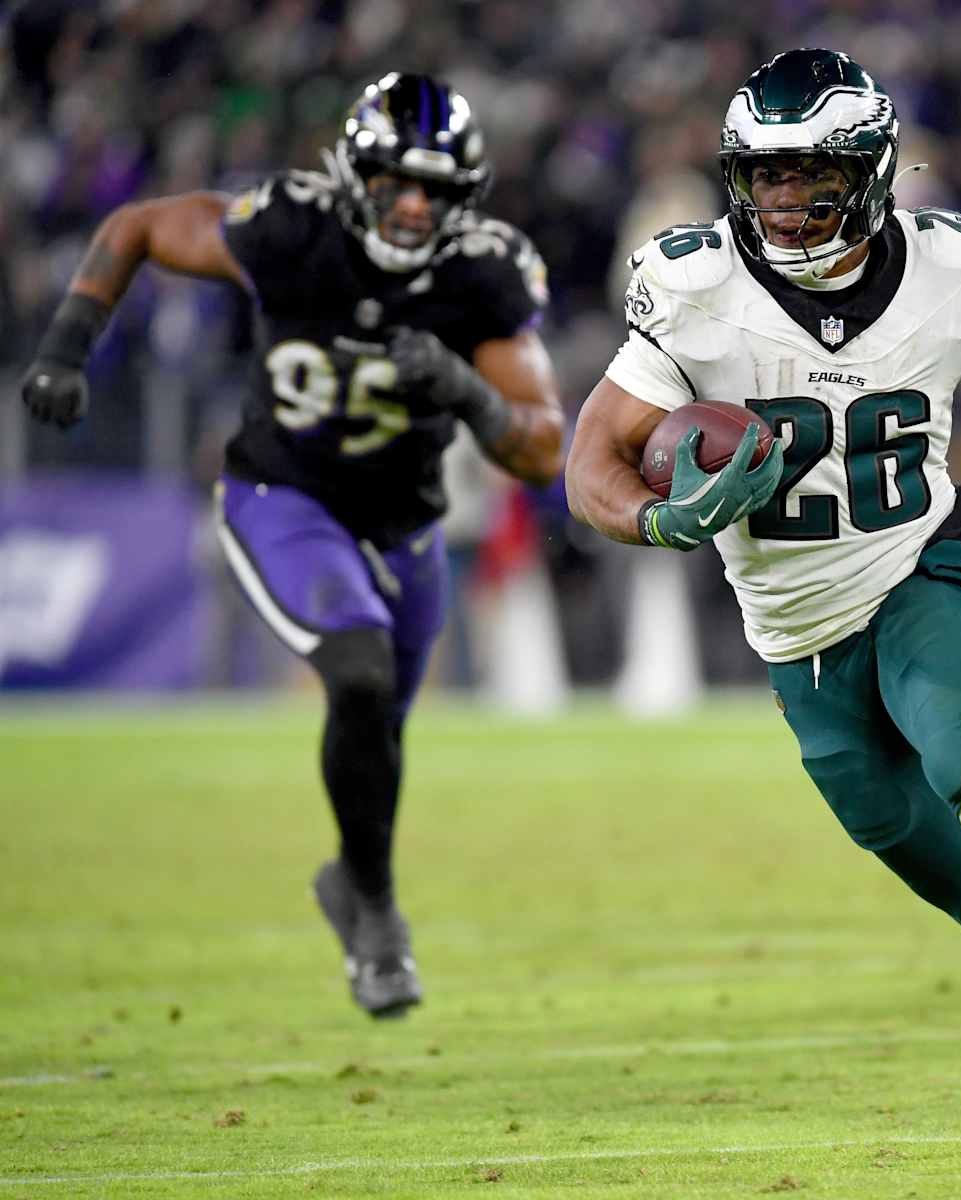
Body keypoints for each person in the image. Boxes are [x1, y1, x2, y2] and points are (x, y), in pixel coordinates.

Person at [564, 49, 961, 1137]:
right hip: (798, 639)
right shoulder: (696, 286)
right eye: (765, 175)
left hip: (922, 570)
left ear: (870, 175)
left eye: (811, 175)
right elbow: (592, 462)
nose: (785, 201)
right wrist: (659, 521)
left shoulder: (951, 272)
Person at [19, 72, 565, 1016]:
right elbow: (140, 226)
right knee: (356, 670)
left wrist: (465, 391)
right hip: (286, 494)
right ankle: (381, 918)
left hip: (404, 522)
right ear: (353, 174)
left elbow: (542, 447)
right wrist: (68, 348)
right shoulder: (291, 227)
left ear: (465, 197)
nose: (413, 205)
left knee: (378, 730)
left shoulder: (482, 274)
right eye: (396, 181)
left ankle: (353, 882)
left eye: (435, 189)